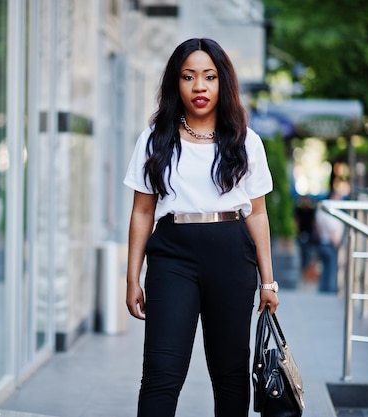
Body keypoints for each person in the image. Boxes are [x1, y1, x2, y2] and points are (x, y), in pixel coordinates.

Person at [123, 38, 279, 417]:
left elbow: (256, 214)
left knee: (230, 375)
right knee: (161, 373)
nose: (199, 87)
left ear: (222, 83)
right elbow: (143, 212)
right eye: (188, 77)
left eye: (209, 77)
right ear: (176, 84)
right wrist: (132, 277)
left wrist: (268, 281)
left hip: (231, 256)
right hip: (172, 256)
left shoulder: (246, 142)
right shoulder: (155, 140)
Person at [315, 191, 345, 293]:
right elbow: (333, 231)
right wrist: (339, 246)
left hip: (323, 242)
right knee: (331, 270)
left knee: (325, 270)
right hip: (331, 244)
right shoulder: (331, 211)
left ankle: (323, 290)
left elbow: (317, 228)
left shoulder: (320, 211)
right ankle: (329, 292)